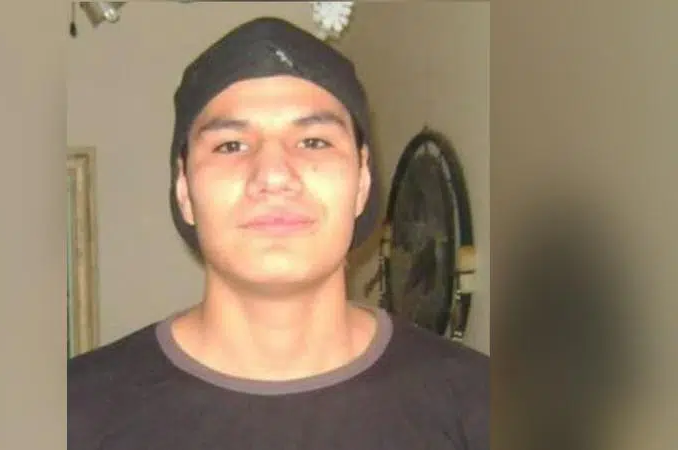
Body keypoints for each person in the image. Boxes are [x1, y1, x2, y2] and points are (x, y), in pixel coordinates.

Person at [69, 17, 489, 450]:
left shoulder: (482, 405)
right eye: (230, 146)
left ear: (363, 181)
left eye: (313, 142)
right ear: (184, 190)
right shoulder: (72, 413)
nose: (272, 176)